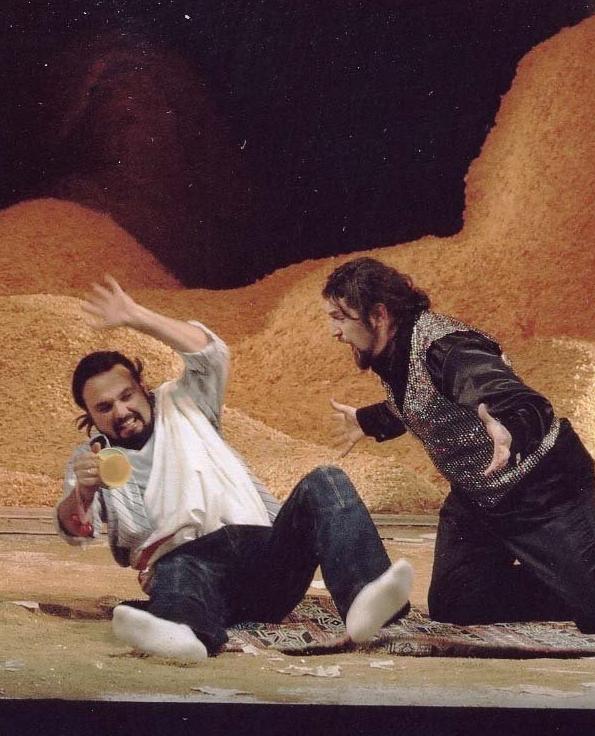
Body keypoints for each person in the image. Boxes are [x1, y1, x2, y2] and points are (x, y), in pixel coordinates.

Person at [323, 257, 595, 633]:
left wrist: (509, 430)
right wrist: (367, 421)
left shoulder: (450, 350)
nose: (333, 332)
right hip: (477, 500)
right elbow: (421, 401)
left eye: (340, 318)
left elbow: (521, 403)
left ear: (379, 315)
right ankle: (573, 586)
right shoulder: (395, 350)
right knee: (456, 604)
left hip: (542, 490)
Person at [55, 276, 413, 661]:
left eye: (126, 395)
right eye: (105, 407)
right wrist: (83, 493)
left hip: (265, 557)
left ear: (142, 387)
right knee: (177, 569)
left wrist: (135, 315)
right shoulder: (93, 458)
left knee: (327, 480)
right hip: (191, 568)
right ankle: (184, 636)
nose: (121, 411)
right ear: (90, 416)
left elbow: (210, 352)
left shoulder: (185, 402)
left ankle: (364, 601)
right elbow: (73, 529)